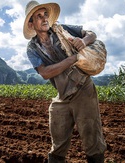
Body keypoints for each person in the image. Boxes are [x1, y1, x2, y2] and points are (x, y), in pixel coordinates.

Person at [23, 1, 107, 163]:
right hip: (62, 96)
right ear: (31, 24)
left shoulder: (61, 29)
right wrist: (73, 58)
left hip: (83, 89)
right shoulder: (32, 48)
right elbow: (46, 73)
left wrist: (84, 41)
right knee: (58, 144)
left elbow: (91, 33)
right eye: (39, 16)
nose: (44, 18)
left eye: (45, 14)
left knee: (92, 140)